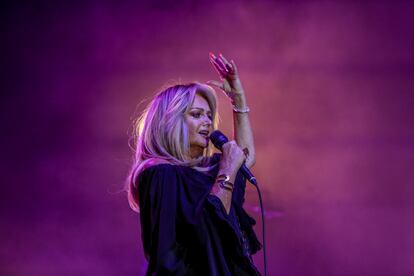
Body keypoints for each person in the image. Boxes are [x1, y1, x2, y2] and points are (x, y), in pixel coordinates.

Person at [127, 53, 261, 275]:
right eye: (197, 115)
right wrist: (227, 171)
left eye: (209, 116)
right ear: (169, 122)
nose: (208, 122)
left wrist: (238, 99)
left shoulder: (208, 171)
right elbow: (203, 230)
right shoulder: (159, 174)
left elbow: (243, 157)